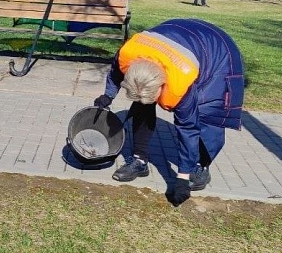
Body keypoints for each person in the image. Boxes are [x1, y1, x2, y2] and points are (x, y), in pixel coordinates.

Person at [93, 18, 245, 206]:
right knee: (142, 103)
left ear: (163, 84)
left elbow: (187, 129)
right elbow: (117, 70)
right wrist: (108, 95)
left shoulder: (182, 82)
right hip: (175, 38)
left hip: (218, 52)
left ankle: (200, 167)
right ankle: (140, 161)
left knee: (207, 114)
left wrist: (181, 178)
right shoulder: (129, 54)